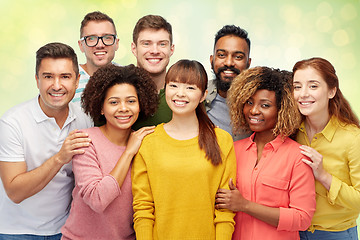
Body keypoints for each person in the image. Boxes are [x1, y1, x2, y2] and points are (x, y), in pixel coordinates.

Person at [132, 60, 236, 239]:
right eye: (173, 85)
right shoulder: (149, 142)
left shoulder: (222, 140)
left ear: (203, 95)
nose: (180, 94)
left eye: (190, 88)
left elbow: (225, 210)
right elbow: (143, 207)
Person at [0, 42, 93, 240]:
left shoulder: (85, 119)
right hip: (16, 231)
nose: (57, 85)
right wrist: (60, 157)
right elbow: (14, 192)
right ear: (37, 80)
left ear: (77, 81)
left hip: (64, 230)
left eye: (65, 77)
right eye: (48, 76)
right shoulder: (12, 123)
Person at [216, 66, 316, 240]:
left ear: (281, 110)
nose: (254, 110)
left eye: (265, 105)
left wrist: (245, 205)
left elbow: (303, 218)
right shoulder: (233, 150)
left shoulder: (298, 157)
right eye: (249, 102)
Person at [61, 64, 158, 239]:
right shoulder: (86, 141)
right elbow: (97, 200)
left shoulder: (146, 144)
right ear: (100, 107)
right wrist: (128, 153)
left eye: (131, 101)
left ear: (141, 104)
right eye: (114, 102)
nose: (123, 108)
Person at [292, 57, 360, 240]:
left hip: (336, 234)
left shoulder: (353, 138)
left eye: (313, 86)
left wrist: (323, 176)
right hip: (293, 232)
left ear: (331, 91)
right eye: (297, 87)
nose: (303, 94)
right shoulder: (290, 132)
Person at [205, 25, 252, 140]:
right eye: (221, 55)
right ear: (212, 60)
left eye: (238, 57)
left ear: (248, 63)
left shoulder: (258, 101)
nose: (229, 62)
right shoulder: (196, 94)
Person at [131, 14, 175, 130]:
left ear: (171, 49)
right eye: (146, 44)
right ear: (134, 49)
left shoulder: (183, 94)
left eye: (162, 44)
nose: (155, 51)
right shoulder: (118, 91)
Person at [72, 11, 119, 106]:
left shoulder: (128, 77)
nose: (100, 45)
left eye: (107, 38)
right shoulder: (67, 80)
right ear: (81, 45)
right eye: (91, 38)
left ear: (116, 43)